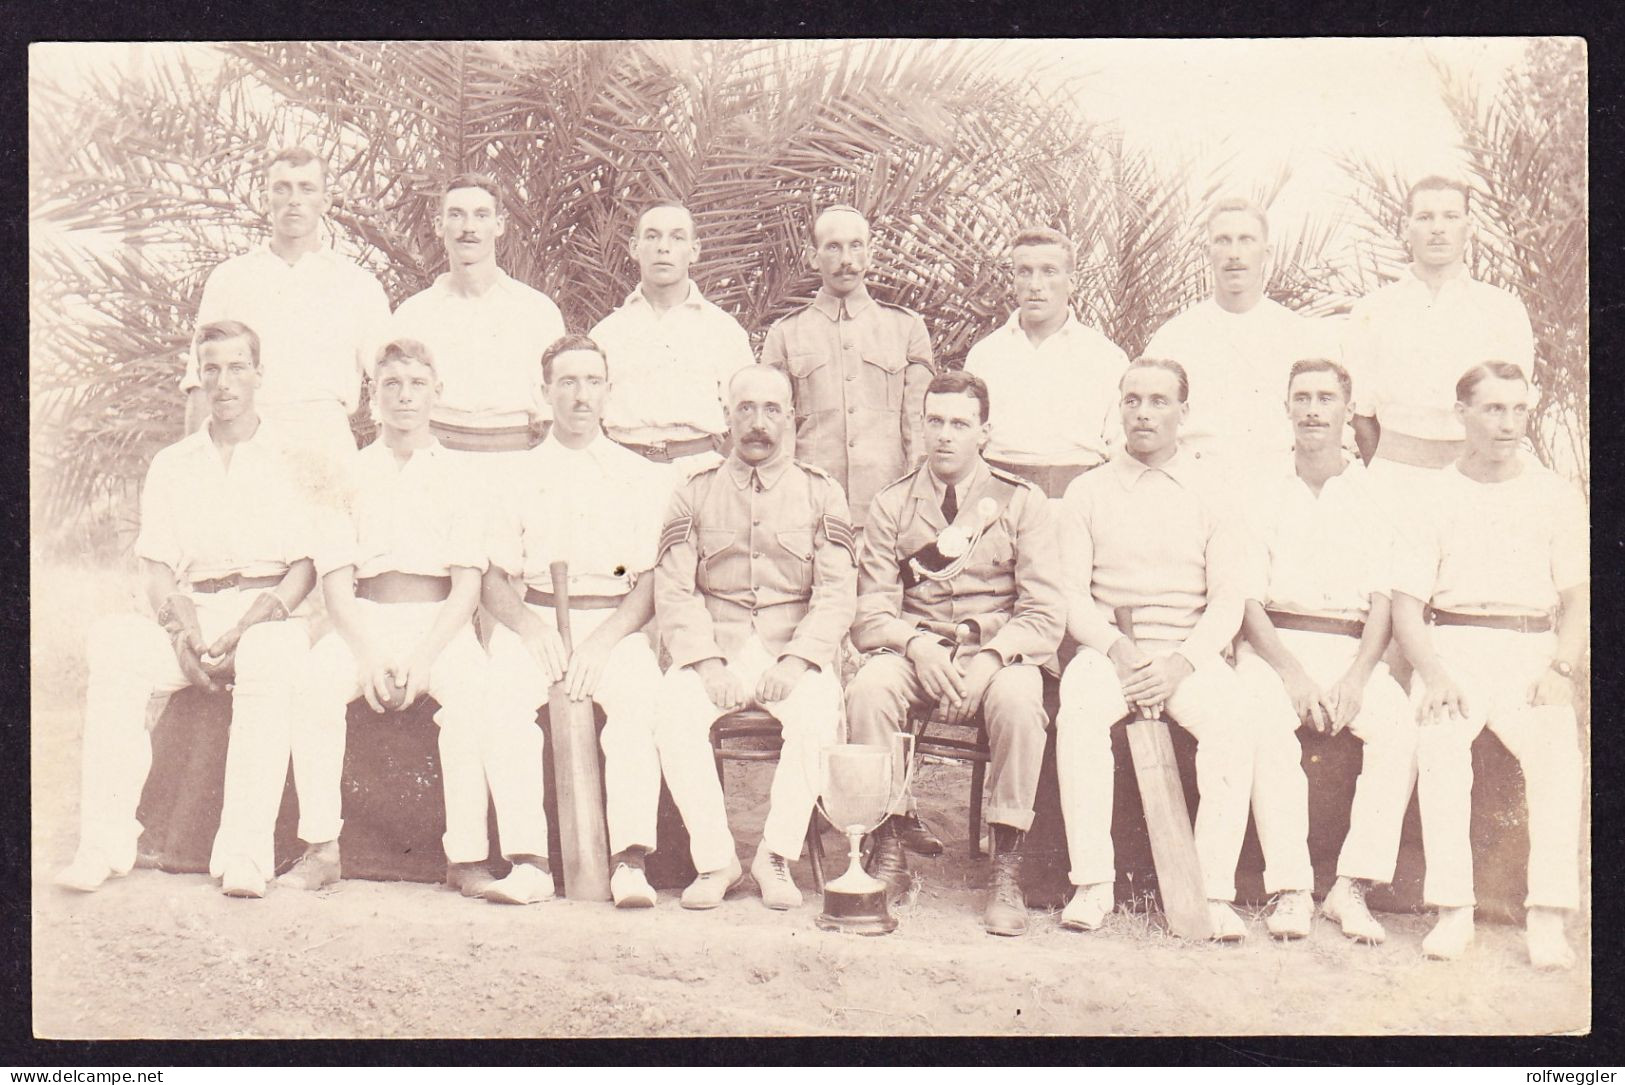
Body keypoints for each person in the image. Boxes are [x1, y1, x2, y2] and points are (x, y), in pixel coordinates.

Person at [278, 339, 553, 905]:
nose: (404, 397)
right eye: (391, 385)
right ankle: (322, 848)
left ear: (437, 393)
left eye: (417, 384)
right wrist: (370, 655)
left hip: (441, 622)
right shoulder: (345, 472)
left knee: (474, 695)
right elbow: (335, 584)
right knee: (311, 685)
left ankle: (467, 857)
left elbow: (468, 585)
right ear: (371, 396)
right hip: (363, 618)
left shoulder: (463, 476)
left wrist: (425, 658)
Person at [56, 320, 315, 895]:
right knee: (115, 642)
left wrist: (251, 624)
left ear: (259, 375)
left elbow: (304, 568)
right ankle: (103, 842)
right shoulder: (174, 462)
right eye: (212, 368)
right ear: (199, 377)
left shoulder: (291, 456)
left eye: (237, 367)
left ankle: (245, 854)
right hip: (195, 612)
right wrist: (180, 634)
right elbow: (155, 565)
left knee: (271, 660)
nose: (224, 382)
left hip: (266, 612)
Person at [483, 335, 722, 908]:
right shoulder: (514, 474)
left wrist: (604, 643)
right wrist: (532, 631)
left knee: (641, 705)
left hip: (613, 628)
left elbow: (649, 582)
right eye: (567, 382)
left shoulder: (641, 476)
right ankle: (530, 863)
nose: (580, 394)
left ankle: (629, 863)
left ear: (609, 392)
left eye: (592, 381)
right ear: (545, 393)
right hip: (537, 621)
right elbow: (494, 581)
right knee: (499, 701)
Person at [1053, 358, 1281, 942]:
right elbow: (1073, 598)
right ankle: (1093, 884)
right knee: (1079, 709)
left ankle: (1212, 891)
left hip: (1188, 655)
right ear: (1119, 407)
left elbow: (1229, 601)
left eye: (1158, 401)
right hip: (1112, 653)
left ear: (1184, 411)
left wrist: (1180, 664)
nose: (1144, 413)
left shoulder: (1216, 489)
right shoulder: (1087, 491)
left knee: (1233, 720)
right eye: (1132, 400)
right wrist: (1119, 651)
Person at [846, 370, 1064, 935]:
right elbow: (871, 612)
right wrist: (917, 645)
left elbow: (1043, 612)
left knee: (1021, 700)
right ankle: (888, 845)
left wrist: (991, 657)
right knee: (870, 689)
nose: (945, 435)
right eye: (935, 421)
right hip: (917, 651)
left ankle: (1007, 864)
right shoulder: (893, 504)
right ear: (921, 426)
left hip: (995, 654)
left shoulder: (1021, 502)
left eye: (960, 424)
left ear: (984, 433)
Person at [1391, 362, 1586, 969]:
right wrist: (1437, 673)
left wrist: (1561, 669)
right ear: (1463, 415)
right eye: (1493, 409)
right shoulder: (1432, 494)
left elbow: (1579, 597)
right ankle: (1453, 912)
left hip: (1531, 648)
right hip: (1454, 647)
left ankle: (1548, 916)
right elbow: (1406, 606)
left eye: (1518, 409)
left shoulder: (1554, 493)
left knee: (1558, 750)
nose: (1509, 424)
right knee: (1443, 740)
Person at [653, 365, 858, 910]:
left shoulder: (821, 493)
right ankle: (716, 859)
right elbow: (673, 591)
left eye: (772, 410)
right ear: (727, 416)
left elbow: (837, 594)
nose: (758, 423)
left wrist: (797, 662)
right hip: (717, 647)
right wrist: (705, 663)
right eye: (746, 409)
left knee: (818, 710)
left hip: (790, 648)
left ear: (790, 417)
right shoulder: (693, 492)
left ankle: (775, 855)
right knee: (672, 708)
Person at [1232, 359, 1418, 943]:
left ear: (1347, 408)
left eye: (1325, 399)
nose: (1313, 410)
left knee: (1399, 726)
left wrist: (1360, 678)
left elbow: (1384, 598)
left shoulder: (1377, 494)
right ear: (1285, 407)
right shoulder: (1258, 490)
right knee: (1261, 721)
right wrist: (1290, 675)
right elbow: (1244, 598)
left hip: (1349, 647)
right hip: (1273, 646)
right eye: (1302, 398)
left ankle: (1351, 887)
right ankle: (1290, 888)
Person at [181, 148, 391, 467]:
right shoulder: (229, 278)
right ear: (266, 199)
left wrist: (384, 468)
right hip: (244, 445)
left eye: (307, 188)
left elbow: (389, 382)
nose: (294, 200)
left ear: (325, 202)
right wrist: (195, 469)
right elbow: (200, 385)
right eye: (282, 188)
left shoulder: (358, 284)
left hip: (325, 447)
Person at [1346, 177, 1535, 513]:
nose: (1438, 228)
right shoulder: (1374, 310)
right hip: (1396, 482)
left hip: (1480, 481)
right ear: (1407, 227)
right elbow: (1362, 416)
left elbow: (1514, 407)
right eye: (1425, 217)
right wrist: (1391, 473)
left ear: (1469, 227)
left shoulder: (1502, 309)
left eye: (1450, 216)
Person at [761, 204, 935, 528]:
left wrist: (913, 510)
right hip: (810, 511)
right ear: (813, 257)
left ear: (870, 253)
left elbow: (919, 427)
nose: (846, 259)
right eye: (833, 247)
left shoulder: (906, 328)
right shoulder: (785, 334)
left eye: (856, 246)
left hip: (886, 512)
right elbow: (775, 433)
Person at [1143, 198, 1339, 470]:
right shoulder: (1174, 338)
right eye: (1223, 240)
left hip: (1277, 486)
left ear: (1266, 252)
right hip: (1195, 486)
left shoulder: (1301, 337)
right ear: (1206, 251)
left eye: (1246, 240)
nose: (1234, 253)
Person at [388, 173, 566, 454]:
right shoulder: (413, 314)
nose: (468, 228)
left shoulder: (537, 310)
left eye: (481, 215)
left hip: (514, 457)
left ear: (499, 225)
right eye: (456, 215)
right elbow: (388, 410)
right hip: (434, 456)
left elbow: (554, 413)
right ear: (439, 225)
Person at [964, 227, 1129, 498]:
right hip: (997, 496)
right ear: (1014, 278)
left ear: (1071, 281)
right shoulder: (985, 355)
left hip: (1079, 496)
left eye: (1049, 271)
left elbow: (1121, 445)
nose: (1035, 285)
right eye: (1024, 271)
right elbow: (969, 440)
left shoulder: (1106, 356)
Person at [591, 202, 755, 472]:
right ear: (634, 247)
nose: (663, 247)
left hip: (700, 469)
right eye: (652, 236)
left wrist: (719, 470)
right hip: (622, 471)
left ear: (694, 251)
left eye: (677, 237)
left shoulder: (723, 330)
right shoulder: (607, 333)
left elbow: (748, 414)